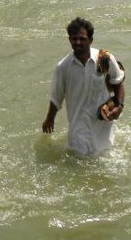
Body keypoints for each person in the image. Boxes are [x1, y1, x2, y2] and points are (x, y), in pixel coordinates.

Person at [42, 17, 125, 156]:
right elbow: (56, 98)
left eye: (82, 39)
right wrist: (49, 119)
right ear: (69, 40)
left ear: (91, 40)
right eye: (74, 39)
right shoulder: (63, 67)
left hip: (103, 129)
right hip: (78, 134)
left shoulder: (105, 59)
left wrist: (120, 106)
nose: (78, 42)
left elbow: (118, 83)